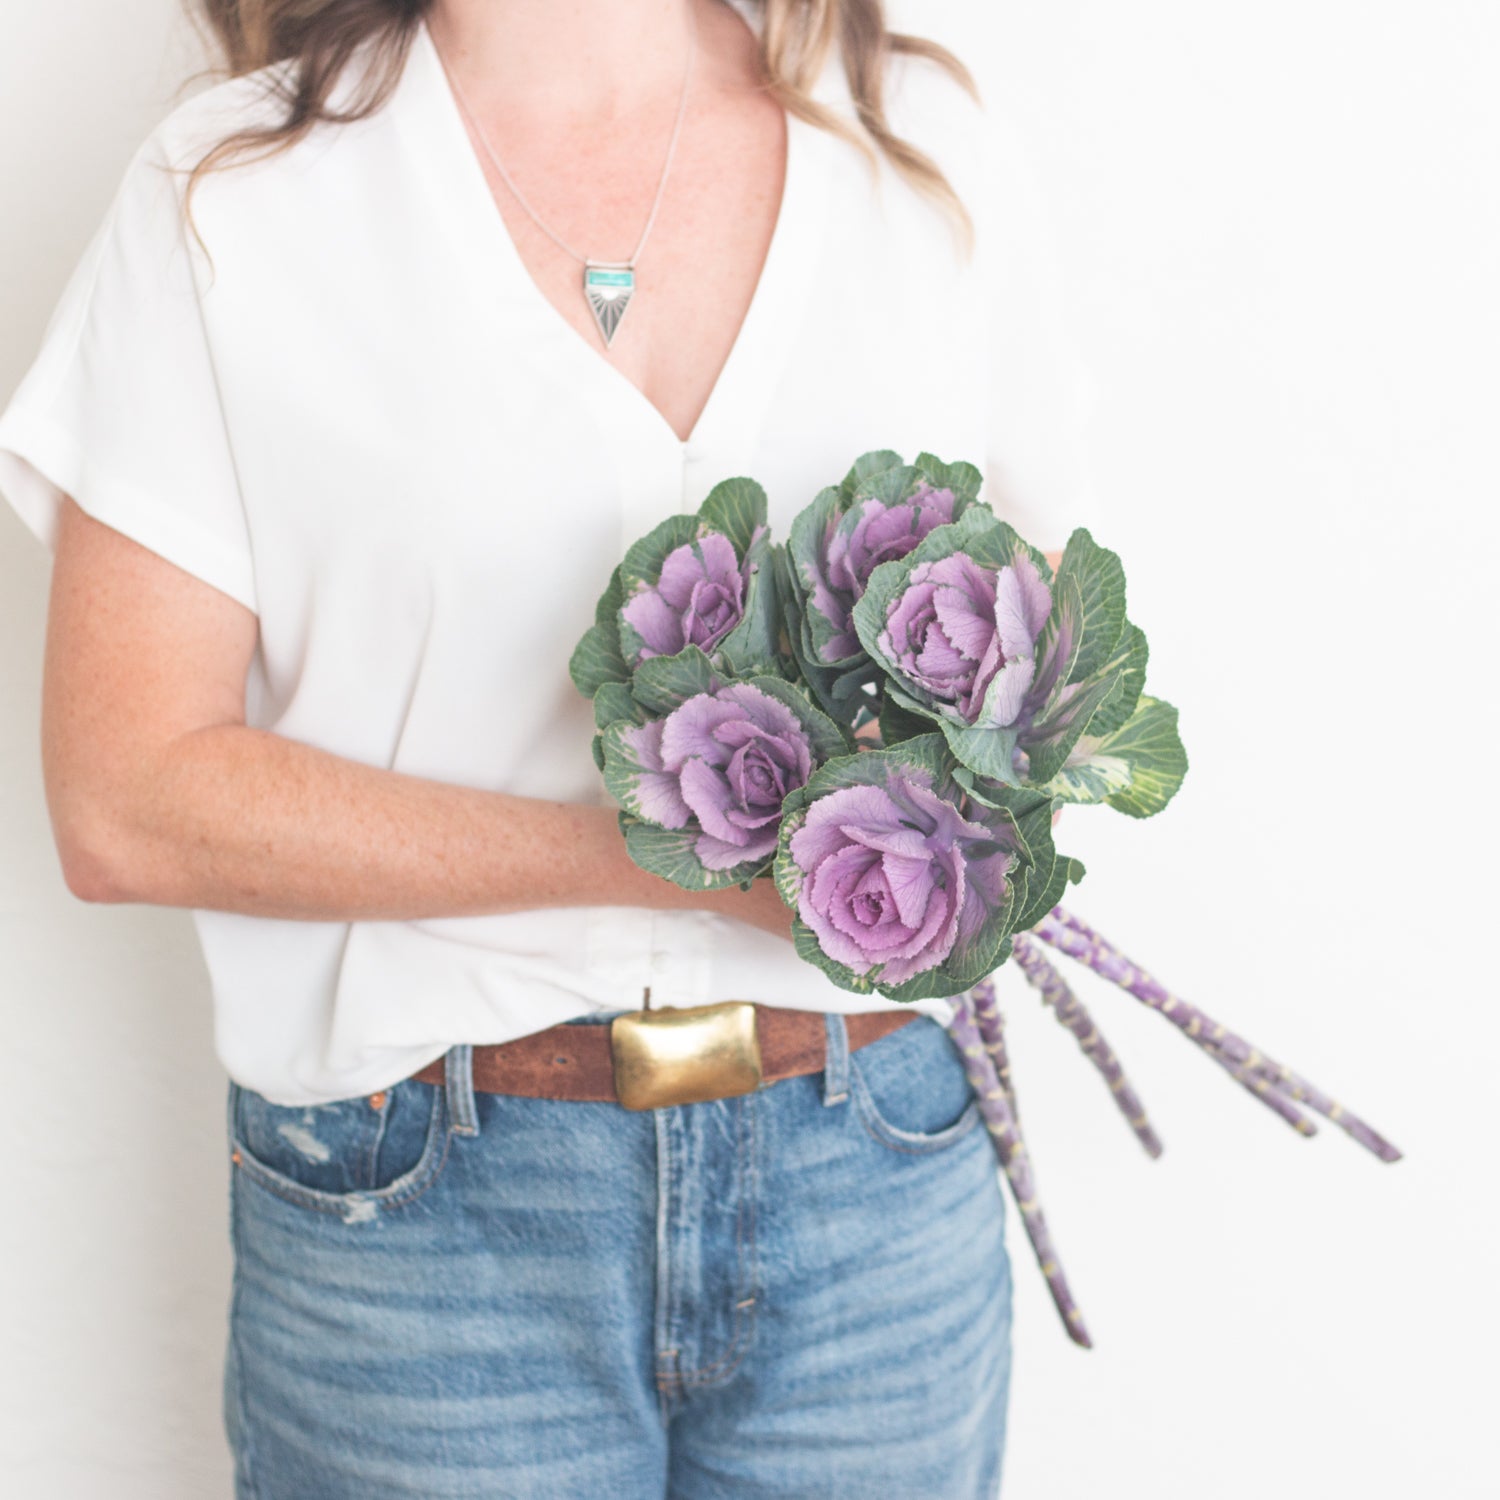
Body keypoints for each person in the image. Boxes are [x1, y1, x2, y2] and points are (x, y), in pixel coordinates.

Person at [0, 1, 1101, 1494]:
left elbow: (1053, 667)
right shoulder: (239, 198)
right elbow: (128, 799)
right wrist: (674, 862)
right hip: (429, 1221)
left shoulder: (915, 145)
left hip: (877, 1172)